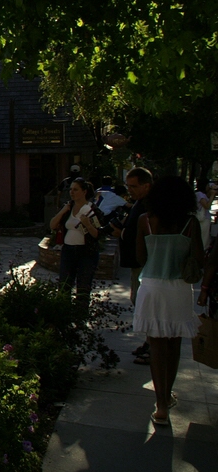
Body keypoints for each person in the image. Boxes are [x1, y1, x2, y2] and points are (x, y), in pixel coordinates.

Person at [133, 176, 204, 426]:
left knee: (156, 347)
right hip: (178, 289)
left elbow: (141, 257)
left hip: (151, 286)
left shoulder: (145, 221)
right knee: (173, 346)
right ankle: (167, 397)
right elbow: (198, 258)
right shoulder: (190, 223)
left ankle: (160, 404)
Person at [110, 167, 153, 362]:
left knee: (145, 304)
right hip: (136, 262)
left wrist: (123, 233)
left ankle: (153, 345)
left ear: (147, 185)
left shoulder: (150, 206)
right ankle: (150, 341)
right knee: (139, 301)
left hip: (144, 262)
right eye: (128, 186)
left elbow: (145, 235)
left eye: (134, 186)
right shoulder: (138, 203)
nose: (130, 190)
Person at [50, 178, 100, 306]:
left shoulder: (92, 210)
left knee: (83, 287)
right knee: (64, 285)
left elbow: (97, 234)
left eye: (75, 189)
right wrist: (63, 211)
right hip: (68, 251)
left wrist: (88, 224)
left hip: (86, 252)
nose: (72, 192)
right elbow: (53, 225)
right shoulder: (68, 208)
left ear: (84, 192)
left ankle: (80, 318)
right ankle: (64, 317)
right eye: (71, 189)